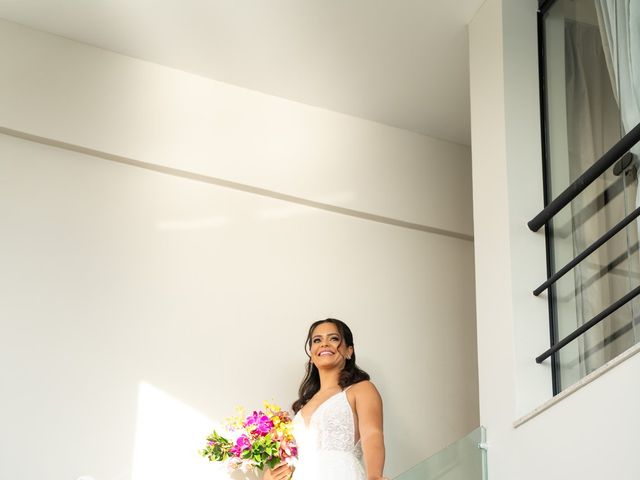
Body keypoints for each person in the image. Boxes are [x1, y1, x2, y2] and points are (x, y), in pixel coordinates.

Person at [264, 318, 387, 480]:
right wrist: (272, 474)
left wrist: (375, 476)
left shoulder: (361, 389)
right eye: (317, 340)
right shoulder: (303, 406)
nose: (324, 344)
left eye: (334, 338)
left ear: (349, 351)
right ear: (311, 356)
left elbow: (372, 433)